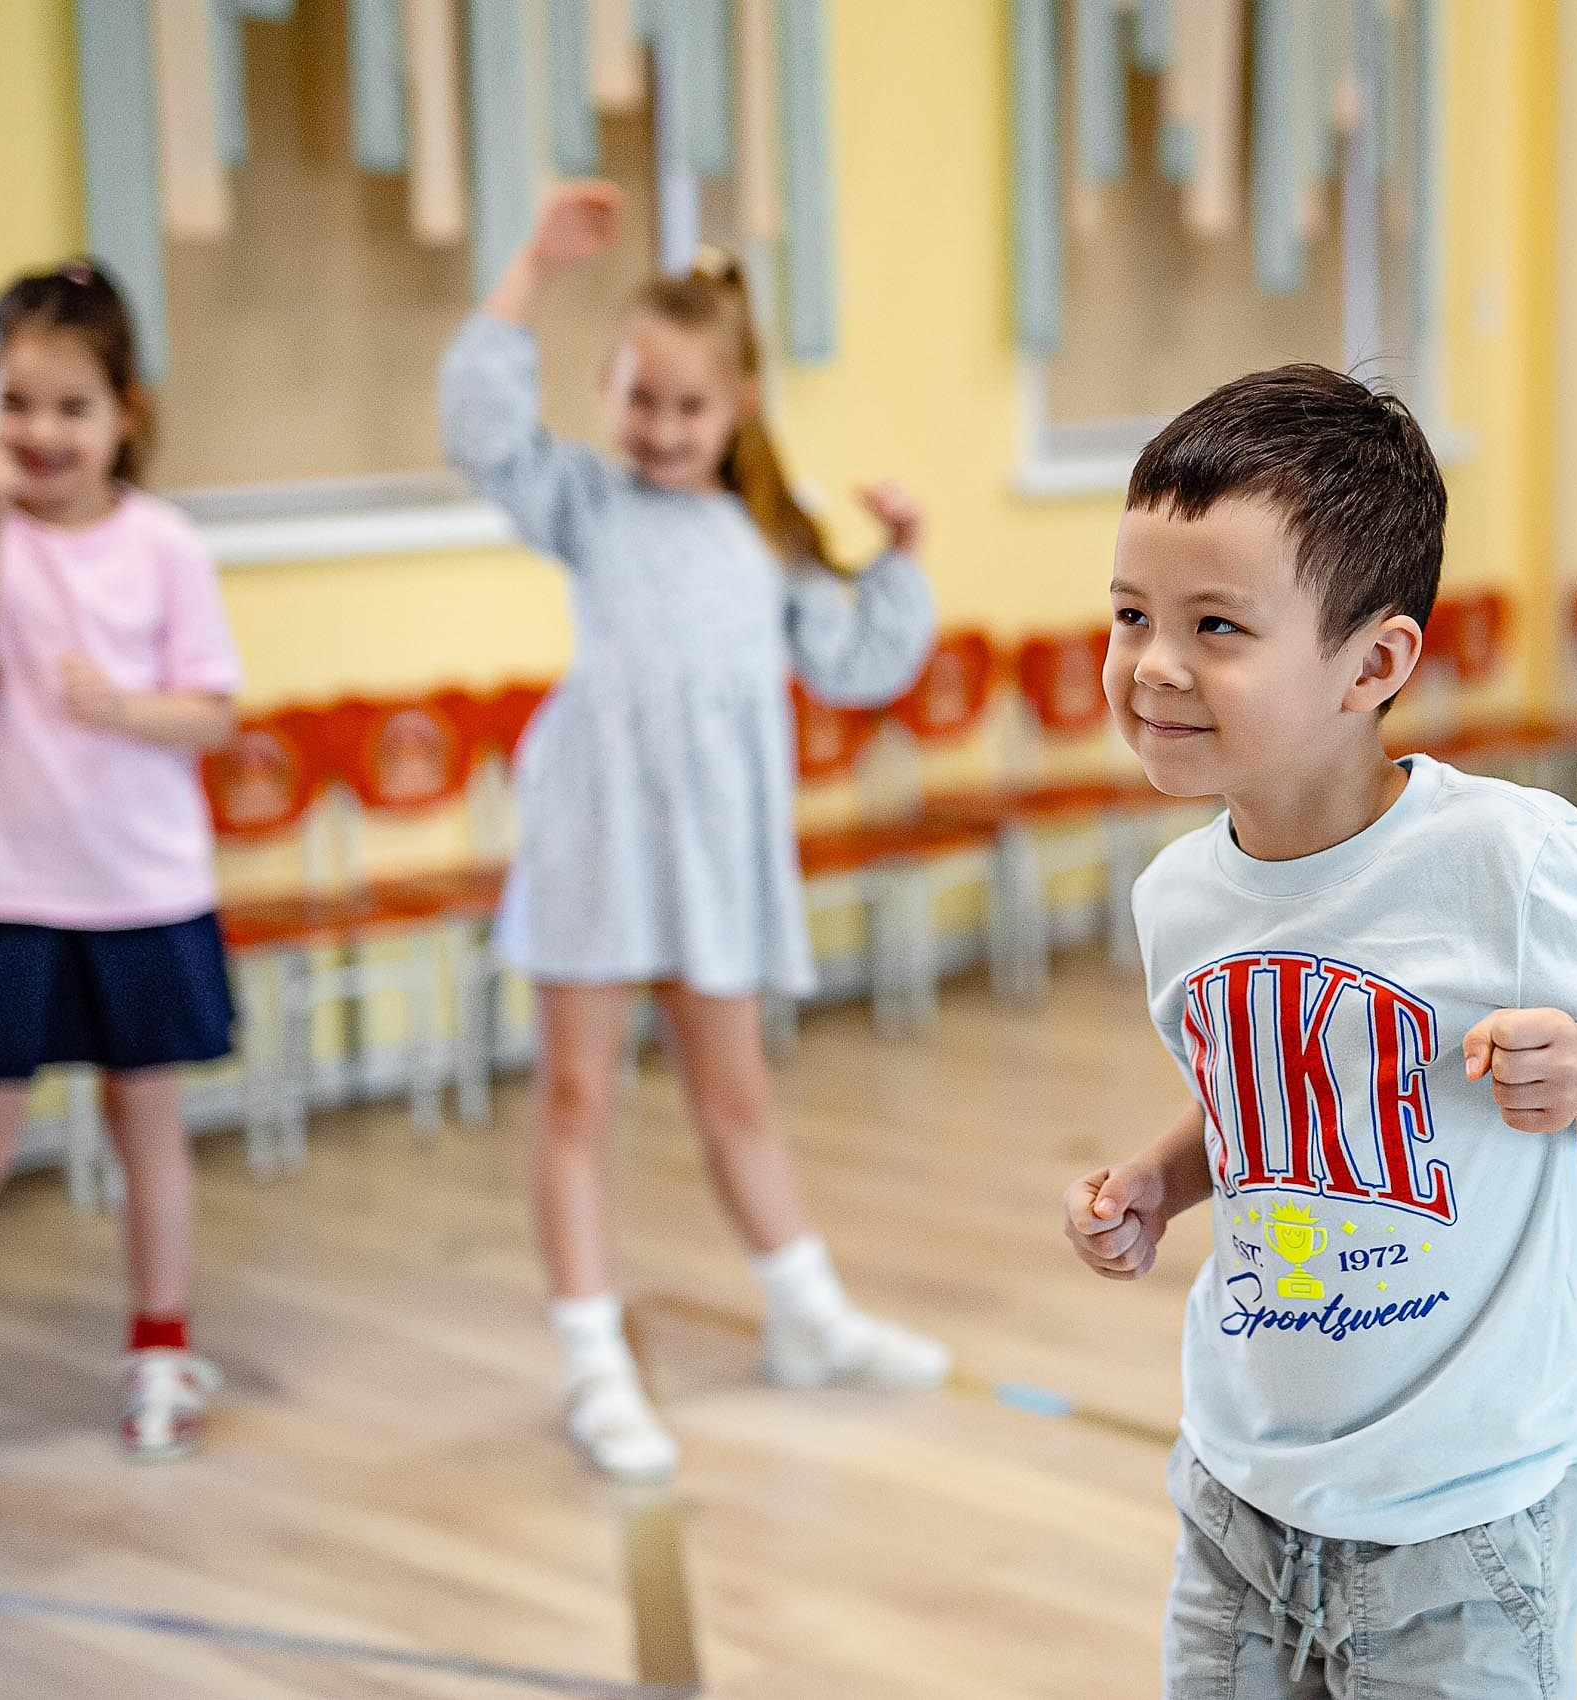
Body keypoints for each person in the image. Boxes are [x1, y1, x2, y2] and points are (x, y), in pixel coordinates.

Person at [1059, 366, 1577, 1696]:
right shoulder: (1178, 900)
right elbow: (1268, 1106)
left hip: (1459, 1527)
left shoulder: (1504, 860)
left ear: (1373, 664)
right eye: (1131, 615)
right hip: (1239, 1495)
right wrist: (1156, 1182)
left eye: (1215, 625)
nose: (1153, 664)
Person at [440, 182, 949, 1483]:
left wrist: (899, 556)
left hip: (716, 853)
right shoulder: (584, 502)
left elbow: (858, 662)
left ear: (739, 409)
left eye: (690, 406)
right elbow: (479, 423)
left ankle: (808, 1317)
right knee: (577, 1097)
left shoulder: (769, 537)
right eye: (642, 401)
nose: (663, 429)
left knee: (737, 1097)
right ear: (606, 393)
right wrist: (532, 264)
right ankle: (592, 1360)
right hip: (596, 837)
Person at [0, 263, 243, 1520]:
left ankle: (161, 1349)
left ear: (125, 414)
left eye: (73, 407)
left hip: (141, 888)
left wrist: (125, 707)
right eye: (17, 403)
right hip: (4, 888)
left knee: (144, 1120)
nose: (42, 432)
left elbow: (212, 710)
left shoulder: (165, 545)